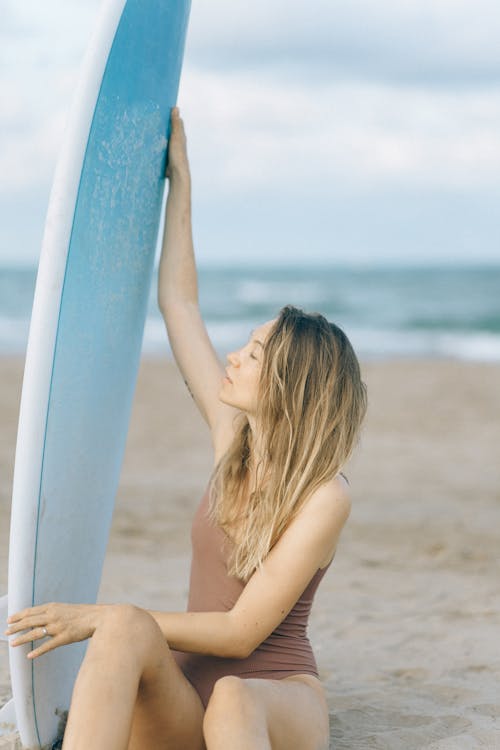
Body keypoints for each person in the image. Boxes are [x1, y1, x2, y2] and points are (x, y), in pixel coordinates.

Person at [5, 107, 367, 750]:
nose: (233, 356)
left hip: (270, 701)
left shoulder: (323, 497)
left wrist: (92, 615)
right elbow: (180, 303)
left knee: (222, 689)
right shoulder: (235, 443)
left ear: (291, 384)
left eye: (253, 355)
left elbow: (240, 636)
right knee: (123, 630)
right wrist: (181, 181)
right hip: (186, 699)